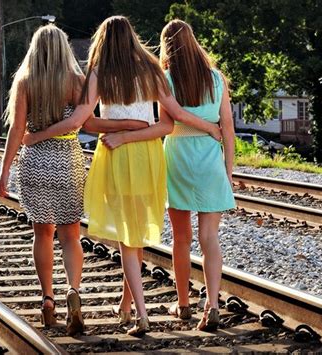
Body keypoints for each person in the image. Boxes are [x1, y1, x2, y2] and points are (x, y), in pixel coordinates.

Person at [23, 16, 222, 336]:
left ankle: (136, 311)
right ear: (132, 39)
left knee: (127, 239)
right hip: (148, 158)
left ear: (104, 40)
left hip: (115, 157)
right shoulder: (153, 71)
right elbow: (170, 123)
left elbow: (82, 123)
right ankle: (126, 305)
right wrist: (210, 127)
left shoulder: (99, 74)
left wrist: (39, 134)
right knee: (135, 234)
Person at [103, 19, 235, 332]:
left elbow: (167, 121)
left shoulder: (165, 79)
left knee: (181, 237)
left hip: (177, 157)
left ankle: (184, 304)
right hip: (210, 159)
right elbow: (227, 128)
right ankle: (213, 304)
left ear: (167, 47)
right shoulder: (217, 79)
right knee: (209, 238)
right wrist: (228, 171)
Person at [0, 24, 91, 336]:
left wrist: (5, 170)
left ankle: (48, 299)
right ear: (65, 49)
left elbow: (16, 129)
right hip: (68, 160)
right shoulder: (78, 81)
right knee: (70, 235)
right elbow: (84, 122)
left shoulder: (25, 81)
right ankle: (73, 290)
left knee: (43, 234)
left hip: (36, 162)